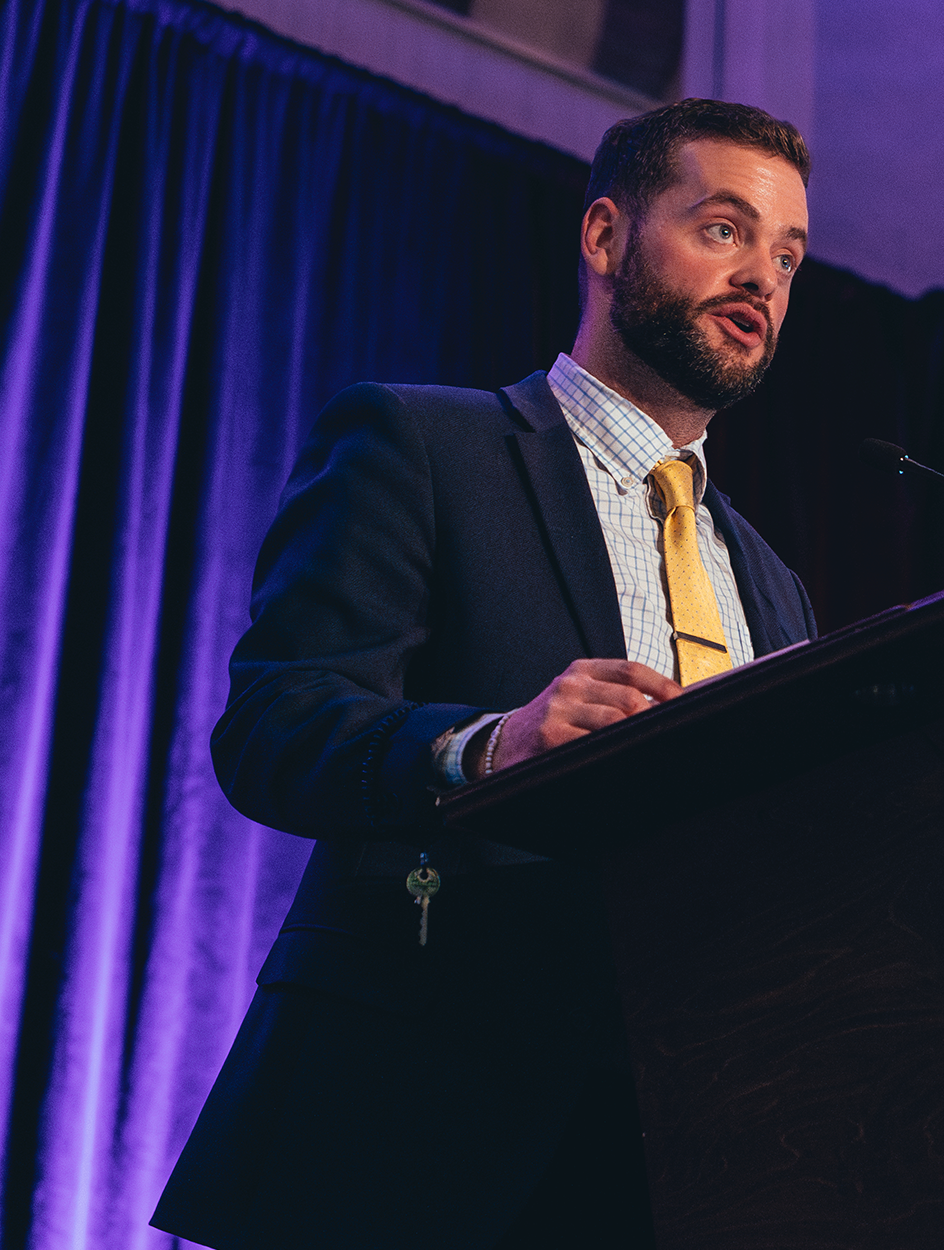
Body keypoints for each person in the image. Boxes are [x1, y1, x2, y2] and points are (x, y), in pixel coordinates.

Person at [151, 98, 816, 1250]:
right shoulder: (420, 444)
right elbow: (273, 723)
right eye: (724, 229)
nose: (762, 274)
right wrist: (486, 746)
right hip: (420, 1127)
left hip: (684, 1154)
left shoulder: (775, 583)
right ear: (604, 235)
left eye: (789, 255)